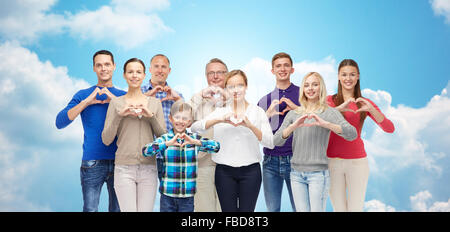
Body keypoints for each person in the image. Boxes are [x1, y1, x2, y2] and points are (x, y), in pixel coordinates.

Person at [191, 70, 274, 212]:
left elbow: (270, 143)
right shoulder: (221, 112)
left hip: (251, 172)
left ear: (246, 86)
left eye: (240, 85)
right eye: (231, 87)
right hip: (224, 172)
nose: (236, 90)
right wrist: (220, 119)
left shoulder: (257, 112)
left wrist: (250, 126)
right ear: (226, 90)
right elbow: (195, 128)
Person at [273, 72, 357, 212]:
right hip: (296, 174)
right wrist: (293, 126)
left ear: (321, 88)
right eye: (306, 85)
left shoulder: (329, 112)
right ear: (303, 89)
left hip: (318, 175)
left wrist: (326, 124)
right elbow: (277, 141)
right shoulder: (294, 113)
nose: (310, 88)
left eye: (315, 84)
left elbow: (352, 134)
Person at [55, 50, 125, 212]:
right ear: (94, 68)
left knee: (118, 210)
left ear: (114, 66)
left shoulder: (123, 96)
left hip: (121, 163)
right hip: (92, 163)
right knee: (90, 209)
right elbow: (60, 122)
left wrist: (115, 101)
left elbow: (138, 122)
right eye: (99, 65)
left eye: (107, 64)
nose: (103, 68)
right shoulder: (83, 95)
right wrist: (87, 102)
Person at [326, 59, 395, 212]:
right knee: (339, 209)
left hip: (357, 163)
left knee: (355, 209)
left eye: (352, 74)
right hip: (332, 163)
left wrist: (371, 109)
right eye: (344, 74)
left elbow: (389, 128)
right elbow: (319, 118)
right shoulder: (329, 101)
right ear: (338, 76)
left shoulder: (364, 103)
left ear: (358, 77)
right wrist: (339, 108)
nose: (348, 78)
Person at [102, 58, 166, 212]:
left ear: (144, 75)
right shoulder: (116, 103)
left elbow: (163, 137)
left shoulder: (154, 103)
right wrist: (119, 115)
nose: (134, 75)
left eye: (138, 72)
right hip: (124, 169)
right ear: (124, 75)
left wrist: (150, 116)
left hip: (149, 168)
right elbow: (106, 139)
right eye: (130, 72)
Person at [142, 101, 221, 212]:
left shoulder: (194, 138)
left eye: (185, 118)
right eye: (177, 117)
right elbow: (146, 151)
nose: (180, 121)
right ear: (170, 118)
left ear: (189, 122)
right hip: (167, 196)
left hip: (187, 197)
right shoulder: (165, 139)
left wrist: (196, 142)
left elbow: (216, 147)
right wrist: (167, 144)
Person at [257, 52, 299, 212]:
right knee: (272, 209)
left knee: (299, 208)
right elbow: (256, 132)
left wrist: (298, 109)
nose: (282, 69)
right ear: (272, 71)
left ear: (292, 69)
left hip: (296, 160)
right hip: (270, 162)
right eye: (278, 66)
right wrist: (266, 115)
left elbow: (314, 119)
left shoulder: (303, 95)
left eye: (286, 65)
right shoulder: (263, 101)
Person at [188, 58, 228, 212]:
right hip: (203, 165)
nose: (215, 76)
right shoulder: (197, 100)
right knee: (204, 210)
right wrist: (199, 96)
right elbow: (182, 118)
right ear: (206, 76)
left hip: (229, 166)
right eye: (211, 73)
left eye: (220, 72)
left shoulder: (235, 100)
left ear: (227, 74)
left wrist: (229, 97)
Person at [141, 54, 184, 180]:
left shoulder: (177, 96)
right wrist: (148, 97)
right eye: (156, 66)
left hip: (170, 155)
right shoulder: (138, 92)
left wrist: (178, 99)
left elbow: (187, 122)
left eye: (164, 67)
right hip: (146, 155)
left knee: (171, 198)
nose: (160, 70)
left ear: (169, 70)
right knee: (144, 198)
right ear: (149, 69)